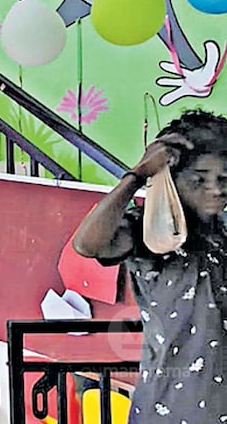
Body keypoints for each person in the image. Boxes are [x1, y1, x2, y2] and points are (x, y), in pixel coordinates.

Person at [74, 109, 227, 422]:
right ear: (172, 179)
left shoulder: (223, 231)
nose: (215, 189)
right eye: (199, 179)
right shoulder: (151, 232)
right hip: (169, 407)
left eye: (223, 178)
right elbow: (87, 244)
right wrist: (137, 176)